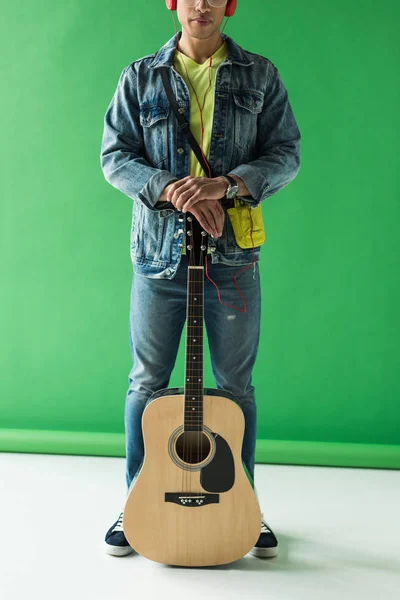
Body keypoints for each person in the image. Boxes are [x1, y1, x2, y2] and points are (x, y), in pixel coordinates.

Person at [100, 0, 301, 559]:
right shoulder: (141, 77)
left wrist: (227, 185)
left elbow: (286, 154)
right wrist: (173, 188)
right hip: (160, 256)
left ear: (229, 6)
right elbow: (115, 156)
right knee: (148, 381)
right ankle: (136, 501)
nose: (202, 5)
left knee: (235, 387)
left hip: (233, 256)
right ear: (174, 3)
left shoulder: (260, 75)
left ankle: (244, 504)